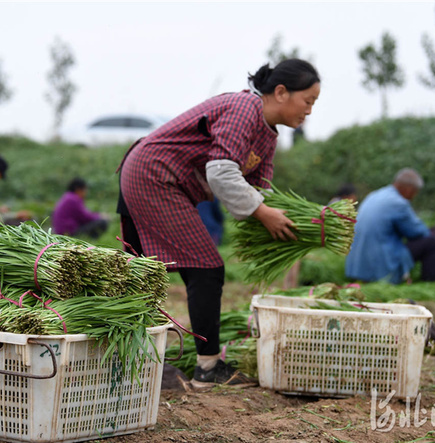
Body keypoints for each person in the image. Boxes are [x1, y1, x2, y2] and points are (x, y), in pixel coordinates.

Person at [117, 59, 320, 388]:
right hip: (154, 175)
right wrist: (263, 213)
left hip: (157, 177)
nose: (309, 111)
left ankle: (131, 362)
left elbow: (259, 192)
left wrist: (299, 224)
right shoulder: (245, 108)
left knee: (140, 275)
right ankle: (208, 368)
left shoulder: (267, 135)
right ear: (281, 92)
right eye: (308, 101)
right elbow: (222, 172)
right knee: (206, 267)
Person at [345, 168, 435, 284]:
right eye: (415, 192)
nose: (414, 196)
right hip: (379, 268)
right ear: (409, 189)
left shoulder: (374, 195)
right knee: (431, 242)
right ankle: (434, 283)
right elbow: (417, 232)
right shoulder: (398, 203)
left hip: (356, 267)